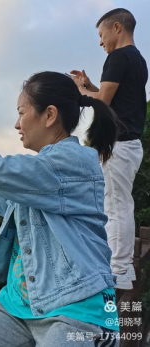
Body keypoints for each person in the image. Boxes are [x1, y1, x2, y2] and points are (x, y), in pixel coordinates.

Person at [0, 71, 120, 347]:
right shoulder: (41, 175)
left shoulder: (72, 161)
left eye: (21, 112)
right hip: (18, 308)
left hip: (75, 309)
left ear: (49, 115)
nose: (17, 124)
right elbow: (1, 199)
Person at [71, 8, 148, 290]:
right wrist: (89, 85)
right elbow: (112, 96)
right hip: (129, 144)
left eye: (102, 35)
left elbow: (102, 101)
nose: (101, 42)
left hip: (120, 144)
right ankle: (122, 268)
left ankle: (118, 271)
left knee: (115, 207)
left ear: (117, 27)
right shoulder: (137, 59)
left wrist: (78, 92)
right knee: (119, 204)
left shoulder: (117, 57)